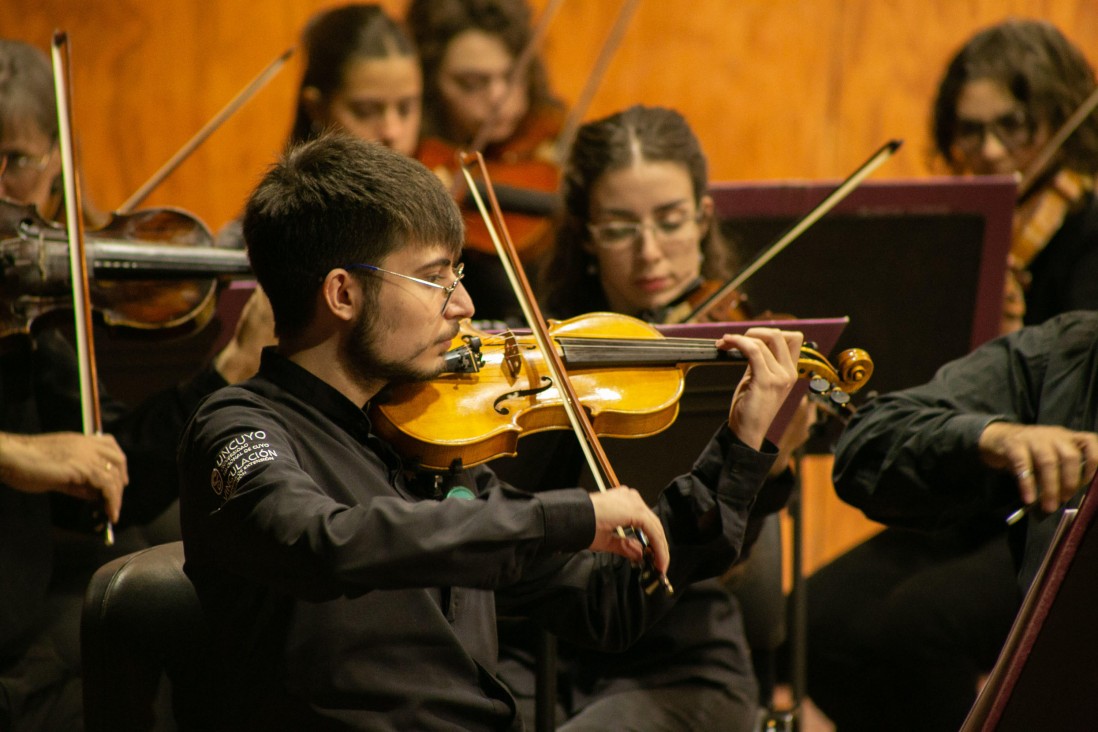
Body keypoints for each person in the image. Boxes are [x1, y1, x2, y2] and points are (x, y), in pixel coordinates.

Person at [176, 133, 804, 730]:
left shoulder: (426, 447)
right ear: (342, 294)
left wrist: (741, 447)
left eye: (459, 277)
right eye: (433, 279)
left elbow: (609, 604)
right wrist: (564, 516)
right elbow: (321, 541)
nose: (463, 306)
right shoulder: (237, 426)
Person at [0, 38, 273, 731]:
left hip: (23, 593)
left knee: (185, 576)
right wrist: (12, 452)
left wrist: (231, 370)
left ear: (55, 165)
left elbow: (120, 471)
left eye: (12, 162)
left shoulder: (40, 312)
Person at [805, 310, 1098, 732]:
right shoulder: (1074, 348)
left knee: (925, 622)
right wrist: (996, 436)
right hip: (1020, 530)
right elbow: (870, 439)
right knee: (824, 617)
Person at [931, 18, 1098, 334]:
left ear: (1059, 116)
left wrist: (1013, 344)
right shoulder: (959, 232)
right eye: (970, 130)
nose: (990, 150)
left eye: (1012, 126)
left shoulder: (1089, 234)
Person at [406, 0, 565, 323]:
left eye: (512, 76)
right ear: (430, 82)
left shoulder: (552, 142)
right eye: (472, 83)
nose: (499, 96)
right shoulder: (416, 155)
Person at [217, 3, 422, 250]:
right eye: (365, 111)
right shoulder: (270, 231)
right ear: (316, 108)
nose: (392, 131)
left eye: (406, 108)